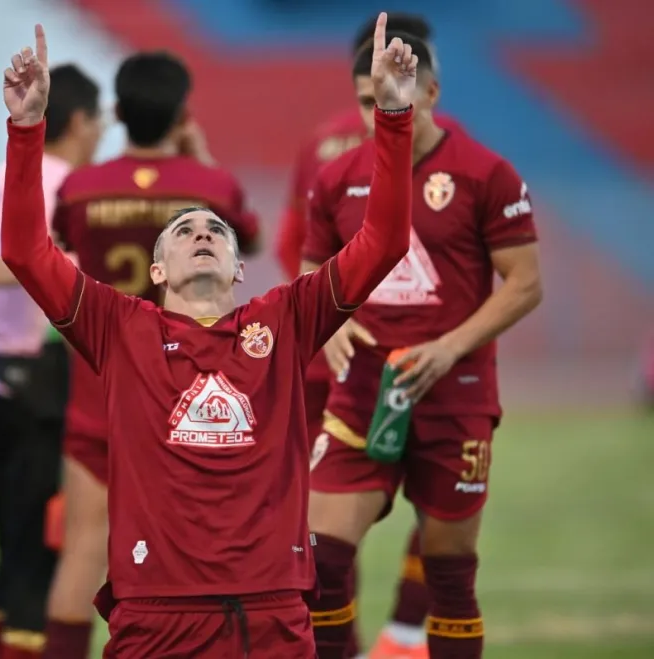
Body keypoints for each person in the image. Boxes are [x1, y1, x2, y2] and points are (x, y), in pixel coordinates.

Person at [0, 17, 415, 656]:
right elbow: (24, 250)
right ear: (157, 270)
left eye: (214, 230)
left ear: (239, 265)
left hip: (271, 610)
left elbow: (382, 243)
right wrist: (27, 129)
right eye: (184, 231)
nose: (201, 232)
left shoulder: (285, 319)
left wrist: (392, 117)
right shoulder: (119, 327)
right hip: (156, 617)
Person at [301, 30, 542, 659]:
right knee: (319, 565)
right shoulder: (336, 179)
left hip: (453, 397)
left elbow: (525, 285)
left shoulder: (487, 173)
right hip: (359, 396)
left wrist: (449, 348)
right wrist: (328, 320)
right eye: (364, 99)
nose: (378, 107)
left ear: (431, 91)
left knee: (450, 574)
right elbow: (310, 271)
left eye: (396, 92)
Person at [38, 51, 261, 659]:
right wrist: (202, 158)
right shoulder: (211, 188)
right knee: (202, 548)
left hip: (101, 385)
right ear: (183, 113)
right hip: (186, 388)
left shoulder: (80, 187)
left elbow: (60, 246)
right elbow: (252, 239)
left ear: (116, 113)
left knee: (84, 547)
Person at [277, 14, 459, 659]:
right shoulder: (330, 152)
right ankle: (350, 642)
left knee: (445, 515)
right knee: (327, 525)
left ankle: (407, 631)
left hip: (433, 367)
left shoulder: (459, 160)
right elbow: (297, 249)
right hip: (338, 365)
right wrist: (328, 317)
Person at [0, 63, 104, 659]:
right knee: (42, 544)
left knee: (13, 539)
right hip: (43, 375)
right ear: (82, 121)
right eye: (99, 122)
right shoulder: (70, 188)